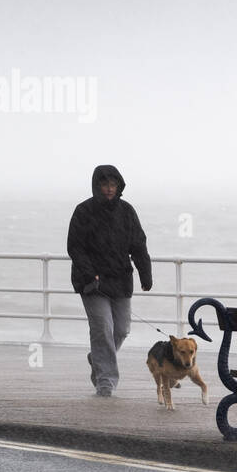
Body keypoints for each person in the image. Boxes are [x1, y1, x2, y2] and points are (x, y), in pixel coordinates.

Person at [67, 165, 152, 396]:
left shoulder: (127, 211)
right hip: (92, 282)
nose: (108, 189)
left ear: (119, 186)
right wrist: (89, 272)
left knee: (122, 329)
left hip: (121, 279)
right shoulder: (83, 211)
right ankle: (106, 383)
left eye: (112, 185)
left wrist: (145, 272)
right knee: (103, 329)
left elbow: (138, 244)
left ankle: (97, 358)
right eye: (104, 185)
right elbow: (75, 247)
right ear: (97, 186)